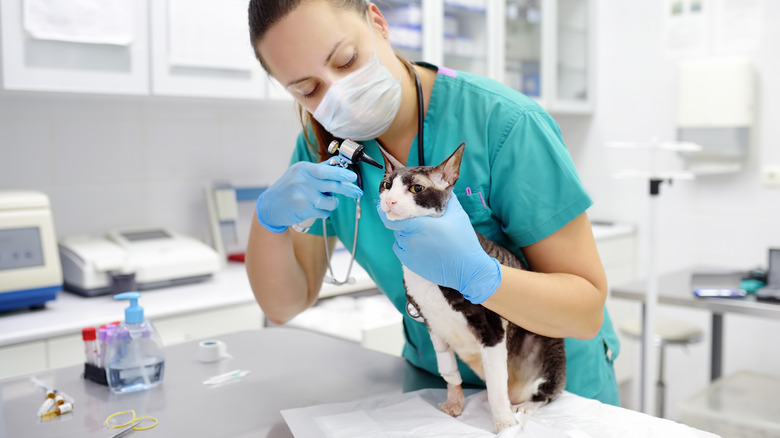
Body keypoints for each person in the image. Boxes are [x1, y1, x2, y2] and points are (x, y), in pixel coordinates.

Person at [245, 0, 621, 405]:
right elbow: (283, 305)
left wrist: (482, 277)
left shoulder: (504, 123)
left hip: (550, 390)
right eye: (308, 89)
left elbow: (584, 313)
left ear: (377, 22)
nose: (337, 93)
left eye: (346, 59)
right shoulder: (323, 147)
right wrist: (269, 220)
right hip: (440, 391)